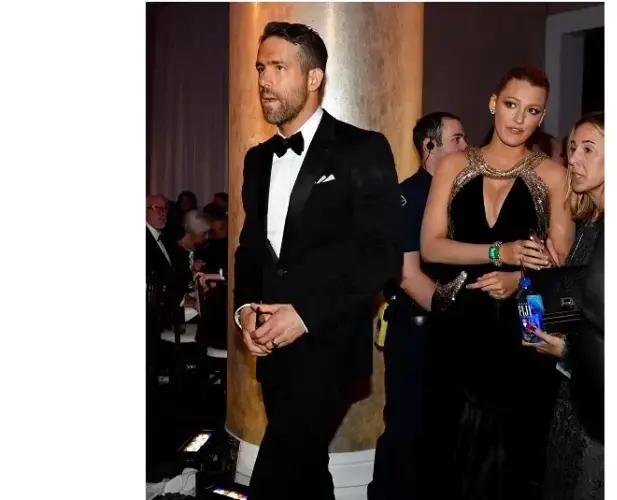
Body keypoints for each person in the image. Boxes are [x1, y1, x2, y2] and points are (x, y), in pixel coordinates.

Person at [231, 21, 401, 500]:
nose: (264, 79)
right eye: (261, 67)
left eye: (279, 67)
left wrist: (304, 315)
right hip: (272, 350)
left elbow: (383, 255)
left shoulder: (362, 148)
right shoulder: (258, 159)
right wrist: (246, 310)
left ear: (313, 78)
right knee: (306, 472)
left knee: (276, 474)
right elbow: (250, 248)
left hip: (328, 343)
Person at [419, 66, 574, 500]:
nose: (518, 118)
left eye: (531, 110)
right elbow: (431, 247)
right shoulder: (452, 165)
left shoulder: (553, 176)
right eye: (511, 105)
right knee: (449, 451)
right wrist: (497, 253)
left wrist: (518, 278)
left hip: (522, 330)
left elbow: (560, 264)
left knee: (511, 458)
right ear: (493, 103)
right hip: (457, 323)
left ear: (541, 118)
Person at [368, 111, 467, 500]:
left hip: (445, 330)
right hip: (417, 330)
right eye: (457, 139)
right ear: (430, 146)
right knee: (407, 428)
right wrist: (454, 319)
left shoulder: (458, 193)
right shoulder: (408, 196)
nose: (466, 147)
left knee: (441, 430)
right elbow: (409, 276)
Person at [521, 111, 605, 500]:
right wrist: (556, 277)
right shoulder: (590, 223)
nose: (573, 159)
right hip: (575, 396)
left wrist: (565, 351)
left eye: (589, 149)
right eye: (573, 148)